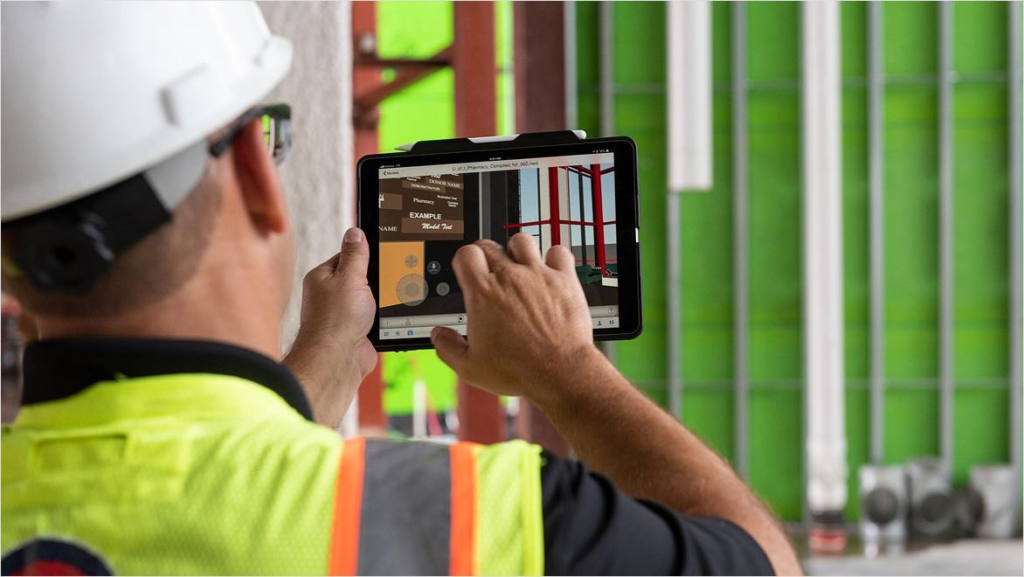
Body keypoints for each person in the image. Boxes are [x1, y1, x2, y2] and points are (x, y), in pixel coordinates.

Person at [0, 3, 801, 575]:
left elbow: (202, 496)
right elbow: (760, 564)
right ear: (254, 172)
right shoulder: (466, 518)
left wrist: (313, 371)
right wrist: (567, 369)